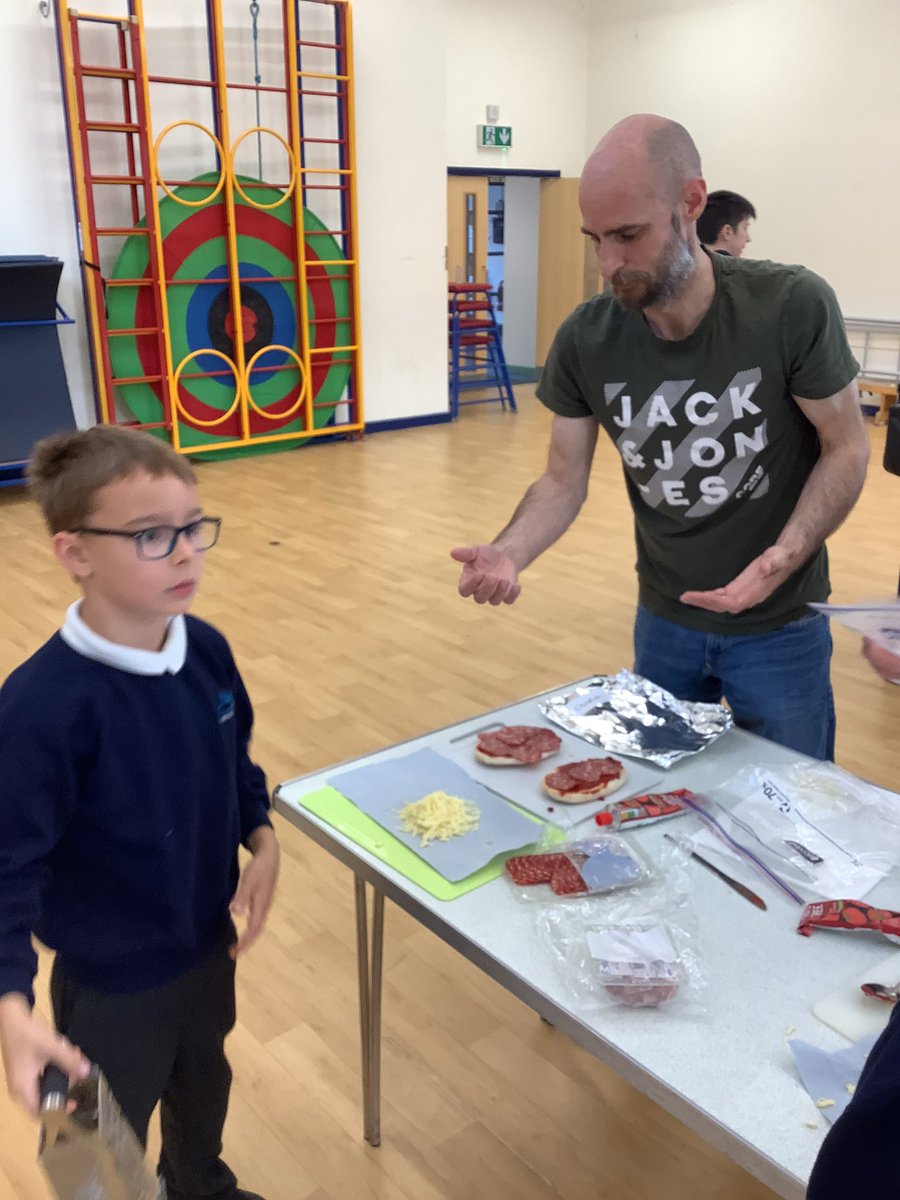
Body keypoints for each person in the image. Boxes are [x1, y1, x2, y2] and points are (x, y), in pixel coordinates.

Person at [451, 113, 869, 761]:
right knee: (664, 805)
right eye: (594, 238)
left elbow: (847, 447)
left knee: (796, 812)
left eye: (627, 235)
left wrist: (787, 553)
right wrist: (510, 551)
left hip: (780, 626)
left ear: (692, 203)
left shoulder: (789, 307)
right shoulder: (586, 339)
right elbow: (563, 479)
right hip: (665, 623)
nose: (607, 264)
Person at [0, 426, 278, 1200]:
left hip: (206, 951)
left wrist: (262, 837)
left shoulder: (208, 651)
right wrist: (10, 1005)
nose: (187, 551)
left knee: (203, 1088)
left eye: (193, 528)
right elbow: (5, 869)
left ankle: (199, 1185)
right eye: (153, 536)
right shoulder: (40, 710)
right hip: (109, 984)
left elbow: (236, 764)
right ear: (74, 553)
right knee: (87, 1150)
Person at [697, 188, 756, 257]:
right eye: (745, 228)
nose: (748, 239)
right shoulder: (738, 267)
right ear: (727, 232)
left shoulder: (688, 264)